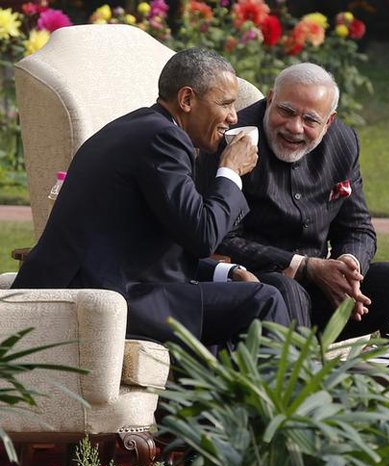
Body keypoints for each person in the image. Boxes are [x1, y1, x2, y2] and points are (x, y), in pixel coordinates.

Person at [12, 48, 289, 351]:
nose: (233, 116)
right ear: (187, 100)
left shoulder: (144, 129)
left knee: (264, 289)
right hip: (101, 299)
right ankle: (273, 398)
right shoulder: (162, 139)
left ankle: (222, 395)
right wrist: (230, 170)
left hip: (117, 285)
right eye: (225, 103)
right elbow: (203, 235)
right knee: (264, 301)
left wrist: (226, 272)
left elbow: (160, 247)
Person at [196, 62, 389, 339]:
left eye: (310, 120)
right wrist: (306, 267)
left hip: (326, 293)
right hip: (260, 287)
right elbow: (219, 238)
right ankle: (302, 381)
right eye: (286, 111)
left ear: (328, 122)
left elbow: (357, 228)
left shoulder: (343, 142)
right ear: (271, 99)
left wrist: (349, 268)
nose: (295, 127)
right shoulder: (232, 140)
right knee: (287, 289)